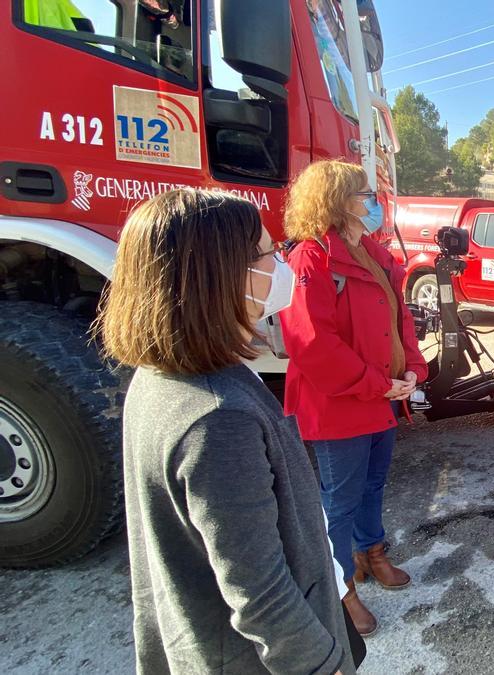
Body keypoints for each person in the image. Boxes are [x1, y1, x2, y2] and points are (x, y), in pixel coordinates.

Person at [100, 189, 357, 674]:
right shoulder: (217, 418)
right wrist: (324, 665)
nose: (279, 266)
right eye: (267, 254)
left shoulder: (164, 377)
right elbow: (260, 591)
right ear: (218, 276)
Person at [280, 160, 428, 636]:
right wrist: (377, 383)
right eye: (363, 193)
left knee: (371, 486)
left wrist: (411, 369)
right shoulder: (310, 258)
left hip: (378, 397)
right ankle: (339, 588)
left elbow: (397, 319)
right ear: (336, 200)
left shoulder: (371, 252)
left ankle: (371, 553)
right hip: (339, 404)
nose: (373, 201)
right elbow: (313, 344)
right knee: (338, 501)